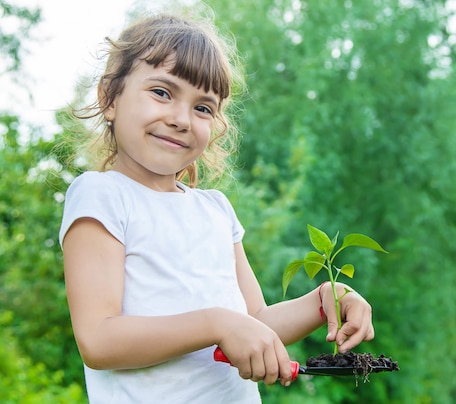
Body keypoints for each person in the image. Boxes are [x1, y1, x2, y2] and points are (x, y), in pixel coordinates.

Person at [58, 12, 375, 404]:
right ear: (109, 98)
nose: (180, 119)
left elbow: (256, 322)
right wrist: (216, 323)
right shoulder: (101, 195)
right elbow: (99, 340)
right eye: (161, 92)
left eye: (203, 108)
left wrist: (326, 297)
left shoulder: (216, 210)